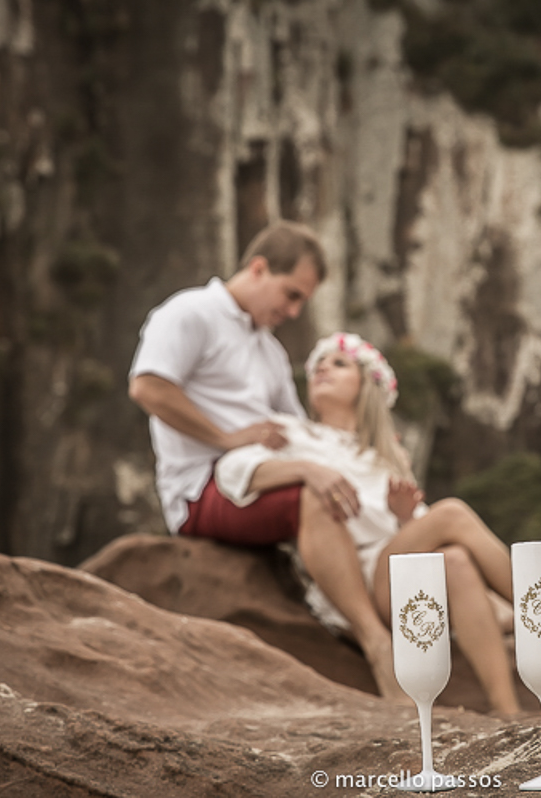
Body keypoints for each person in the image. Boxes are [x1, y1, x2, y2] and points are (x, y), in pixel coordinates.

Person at [213, 331, 541, 715]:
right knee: (453, 512)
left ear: (366, 385)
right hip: (353, 583)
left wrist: (405, 518)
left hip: (398, 577)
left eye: (339, 363)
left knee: (456, 559)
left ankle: (508, 710)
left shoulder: (385, 456)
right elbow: (231, 471)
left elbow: (422, 531)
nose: (322, 368)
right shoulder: (293, 433)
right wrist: (306, 470)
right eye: (319, 364)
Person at [127, 221, 404, 701]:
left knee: (330, 487)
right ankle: (376, 643)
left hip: (263, 478)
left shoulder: (270, 351)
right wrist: (227, 438)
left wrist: (368, 448)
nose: (293, 311)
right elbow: (147, 387)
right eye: (291, 295)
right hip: (203, 488)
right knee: (312, 497)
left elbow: (299, 434)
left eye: (302, 302)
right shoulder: (190, 312)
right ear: (258, 268)